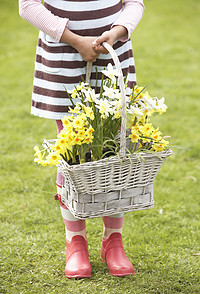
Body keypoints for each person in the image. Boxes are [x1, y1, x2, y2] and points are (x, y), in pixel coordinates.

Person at [19, 0, 145, 278]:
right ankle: (75, 242)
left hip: (113, 53)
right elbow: (27, 5)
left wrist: (117, 30)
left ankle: (113, 240)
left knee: (113, 152)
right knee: (72, 152)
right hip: (64, 54)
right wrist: (75, 40)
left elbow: (135, 3)